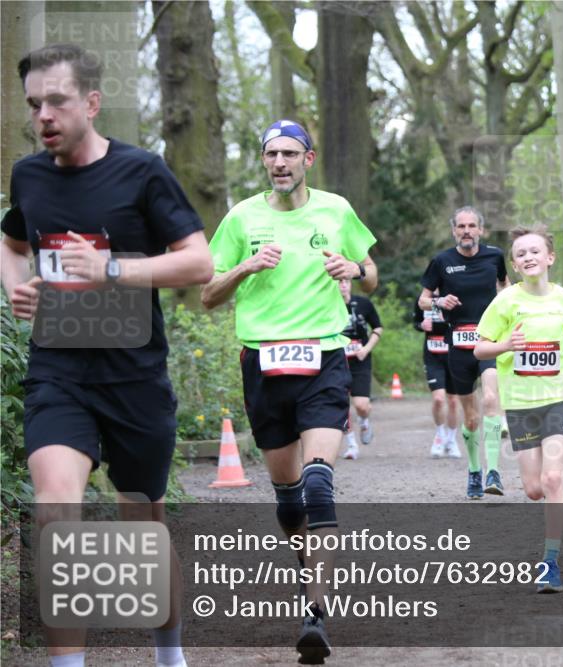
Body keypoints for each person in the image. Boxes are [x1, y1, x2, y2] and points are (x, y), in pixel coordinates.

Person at [0, 44, 214, 667]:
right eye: (34, 104)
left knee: (142, 526)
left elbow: (199, 262)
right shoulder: (28, 176)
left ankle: (169, 655)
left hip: (134, 377)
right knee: (54, 510)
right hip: (58, 373)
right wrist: (16, 286)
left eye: (57, 101)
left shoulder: (142, 172)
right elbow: (12, 244)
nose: (44, 115)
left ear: (92, 103)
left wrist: (112, 269)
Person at [201, 119, 377, 664]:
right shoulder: (241, 218)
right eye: (271, 154)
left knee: (319, 483)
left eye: (290, 154)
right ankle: (308, 576)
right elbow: (208, 294)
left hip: (323, 357)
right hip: (262, 362)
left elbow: (371, 273)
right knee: (288, 498)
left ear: (309, 159)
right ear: (263, 161)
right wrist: (246, 266)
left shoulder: (336, 210)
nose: (280, 162)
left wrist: (355, 267)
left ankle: (315, 611)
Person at [475, 224, 563, 594]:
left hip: (557, 398)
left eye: (534, 251)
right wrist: (505, 346)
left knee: (553, 479)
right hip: (520, 404)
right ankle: (550, 514)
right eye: (521, 254)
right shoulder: (505, 302)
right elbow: (479, 349)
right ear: (514, 265)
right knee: (533, 489)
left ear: (549, 258)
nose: (528, 257)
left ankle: (550, 562)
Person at [418, 206, 510, 499]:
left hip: (489, 340)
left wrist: (509, 309)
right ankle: (474, 471)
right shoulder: (441, 261)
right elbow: (422, 300)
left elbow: (505, 286)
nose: (467, 231)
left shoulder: (495, 256)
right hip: (457, 345)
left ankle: (493, 471)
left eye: (472, 226)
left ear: (481, 229)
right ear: (454, 231)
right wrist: (439, 301)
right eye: (461, 226)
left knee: (491, 399)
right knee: (471, 417)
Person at [412, 293, 461, 458]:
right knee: (439, 399)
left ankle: (451, 440)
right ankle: (440, 436)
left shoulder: (454, 294)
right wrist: (421, 325)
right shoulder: (423, 298)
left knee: (453, 401)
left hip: (454, 354)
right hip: (433, 356)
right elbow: (416, 322)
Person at [339, 278, 383, 460]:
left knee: (361, 405)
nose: (342, 285)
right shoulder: (326, 306)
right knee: (340, 405)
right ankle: (351, 445)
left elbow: (378, 328)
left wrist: (366, 349)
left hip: (360, 360)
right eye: (338, 282)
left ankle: (364, 421)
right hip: (336, 361)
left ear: (350, 284)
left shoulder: (364, 304)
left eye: (346, 282)